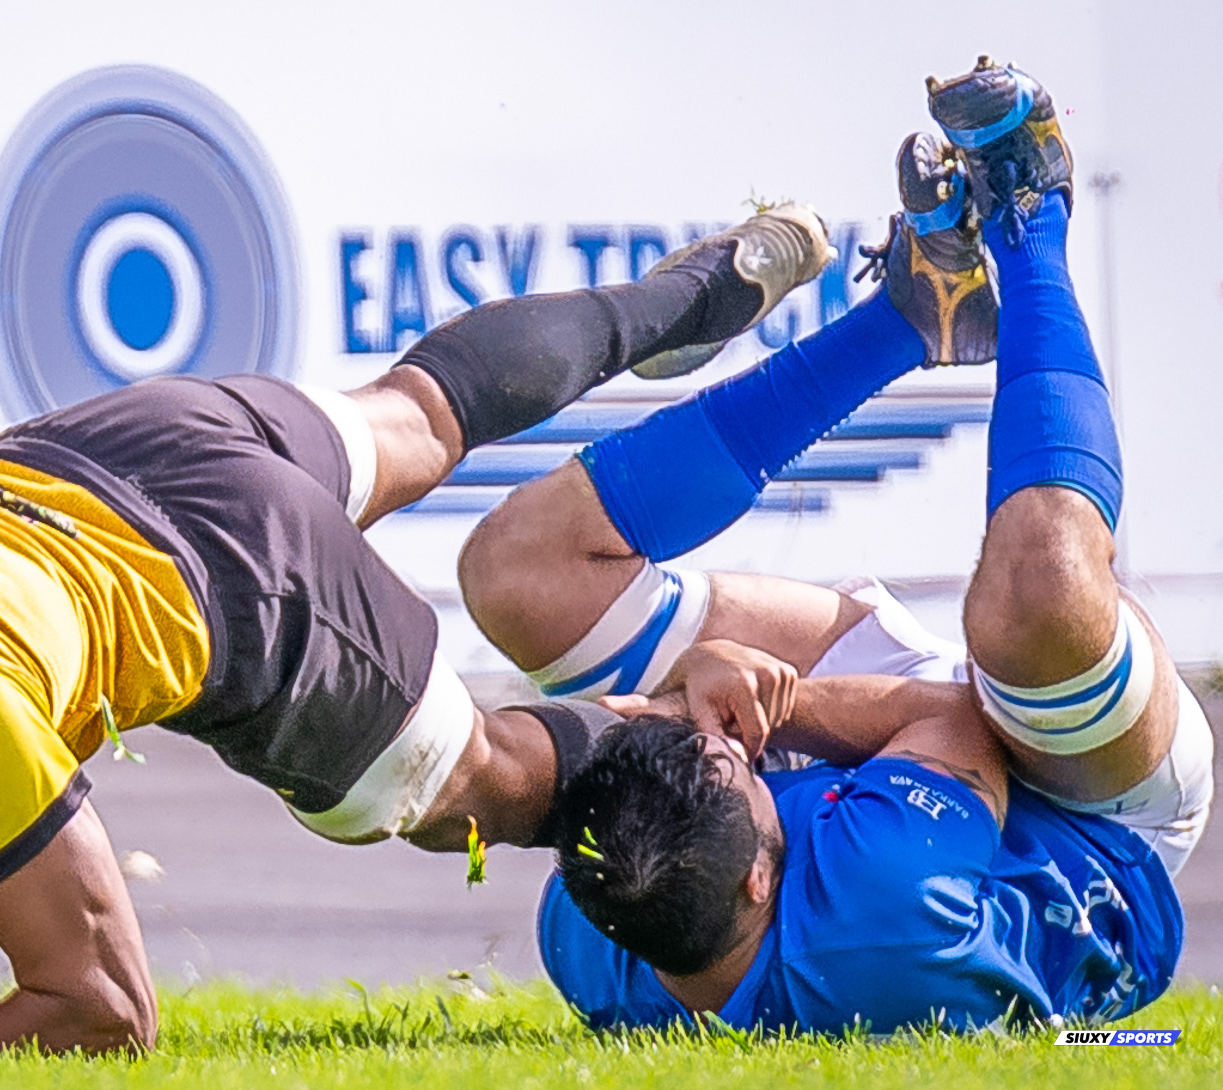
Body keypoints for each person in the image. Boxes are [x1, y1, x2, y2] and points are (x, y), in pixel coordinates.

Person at [0, 185, 834, 1052]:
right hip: (112, 446)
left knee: (470, 791)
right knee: (420, 415)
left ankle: (705, 718)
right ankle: (696, 292)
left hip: (229, 576)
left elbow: (107, 1008)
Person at [460, 59, 1214, 1034]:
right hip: (1077, 807)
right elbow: (957, 715)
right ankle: (1030, 217)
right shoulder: (878, 914)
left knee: (517, 573)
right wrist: (772, 700)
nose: (717, 732)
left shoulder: (599, 917)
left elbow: (637, 780)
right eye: (731, 754)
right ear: (764, 874)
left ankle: (915, 313)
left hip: (884, 764)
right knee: (1031, 598)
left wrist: (689, 704)